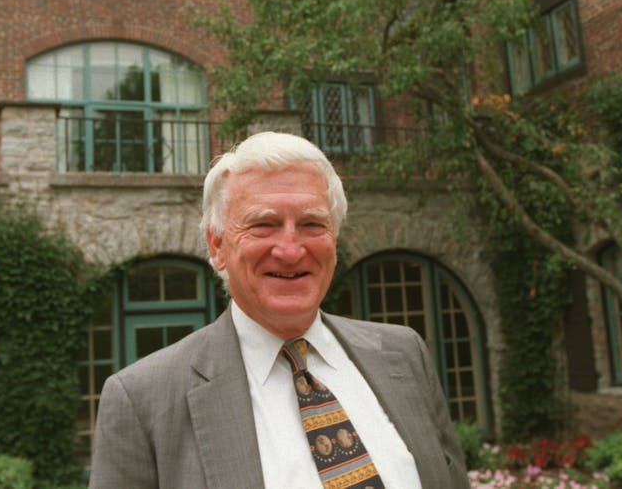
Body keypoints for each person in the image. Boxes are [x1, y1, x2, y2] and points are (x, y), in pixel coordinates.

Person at [89, 131, 470, 489]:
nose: (290, 250)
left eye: (311, 224)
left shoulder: (403, 354)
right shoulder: (142, 400)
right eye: (264, 224)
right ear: (218, 245)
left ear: (334, 240)